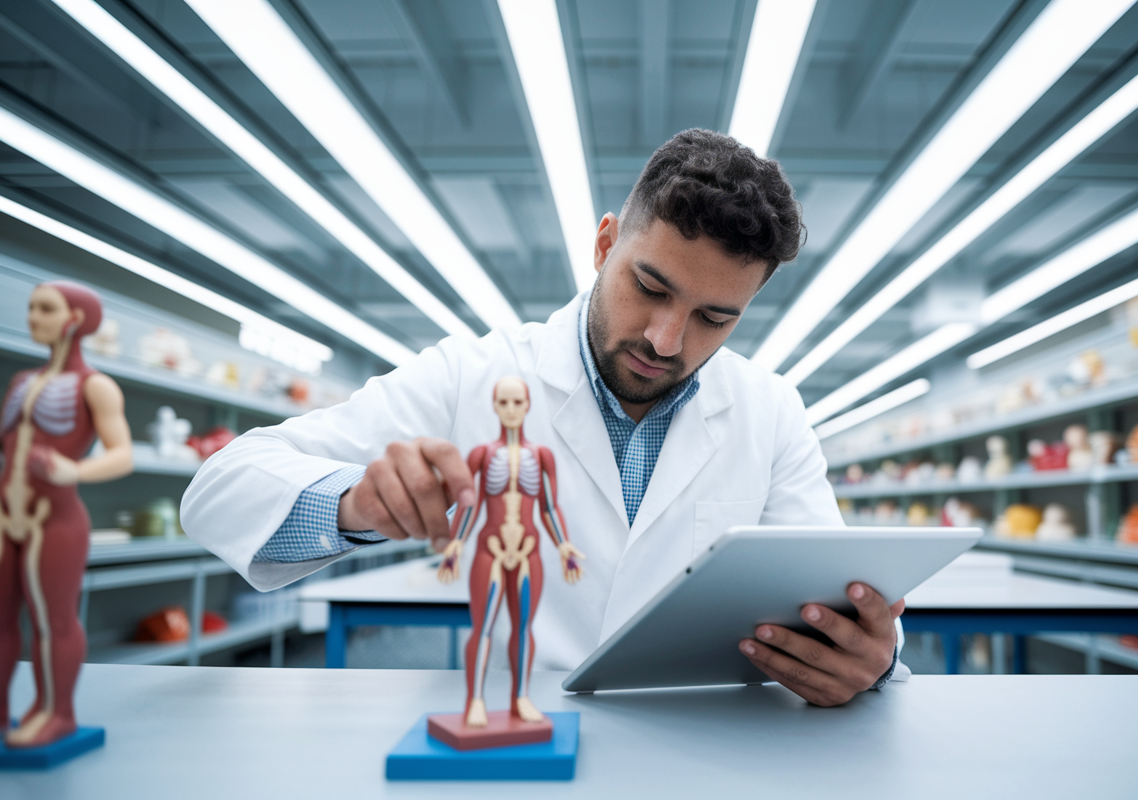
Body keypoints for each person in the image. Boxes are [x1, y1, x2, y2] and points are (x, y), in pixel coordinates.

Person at [182, 129, 904, 706]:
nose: (666, 339)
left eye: (715, 318)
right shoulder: (473, 375)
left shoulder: (769, 411)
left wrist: (872, 660)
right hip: (521, 735)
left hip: (714, 747)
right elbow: (220, 488)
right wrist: (353, 505)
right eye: (649, 287)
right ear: (603, 245)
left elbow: (833, 607)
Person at [1, 281, 133, 747]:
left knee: (53, 619)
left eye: (45, 308)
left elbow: (122, 455)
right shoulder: (22, 382)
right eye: (32, 307)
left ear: (74, 319)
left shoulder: (95, 386)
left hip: (52, 519)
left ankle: (56, 712)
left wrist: (72, 468)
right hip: (6, 516)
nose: (32, 316)